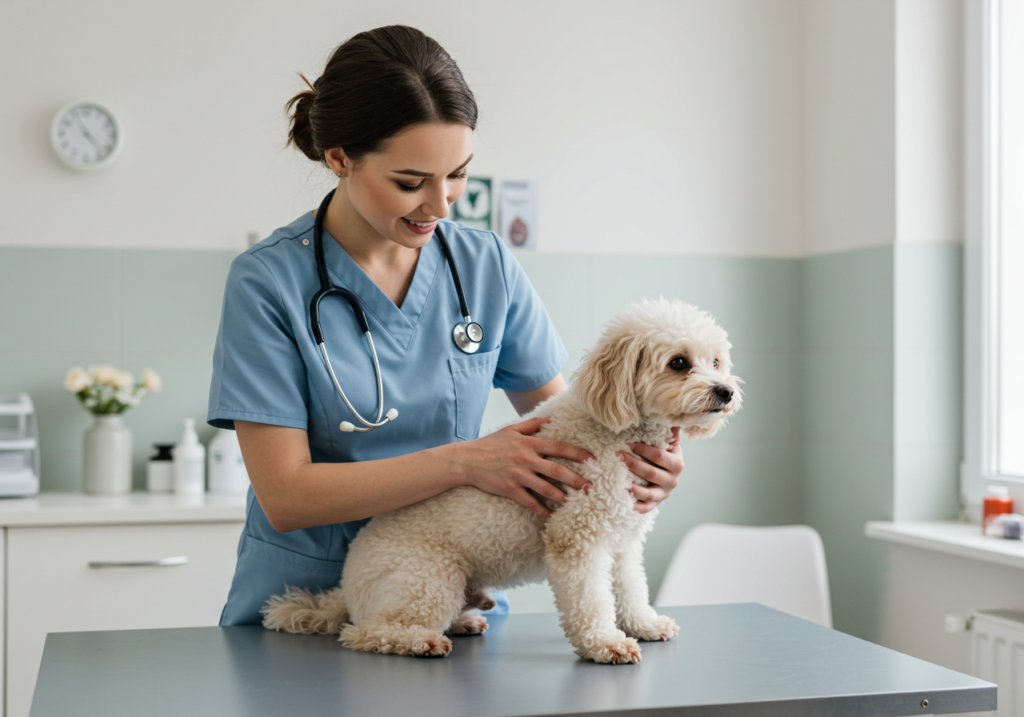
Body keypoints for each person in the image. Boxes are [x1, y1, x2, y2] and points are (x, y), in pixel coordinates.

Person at [208, 25, 684, 626]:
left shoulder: (483, 264)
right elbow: (286, 495)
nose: (442, 205)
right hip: (308, 598)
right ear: (339, 158)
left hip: (458, 597)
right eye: (410, 183)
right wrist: (463, 462)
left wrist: (636, 460)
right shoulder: (269, 281)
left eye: (457, 173)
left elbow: (567, 426)